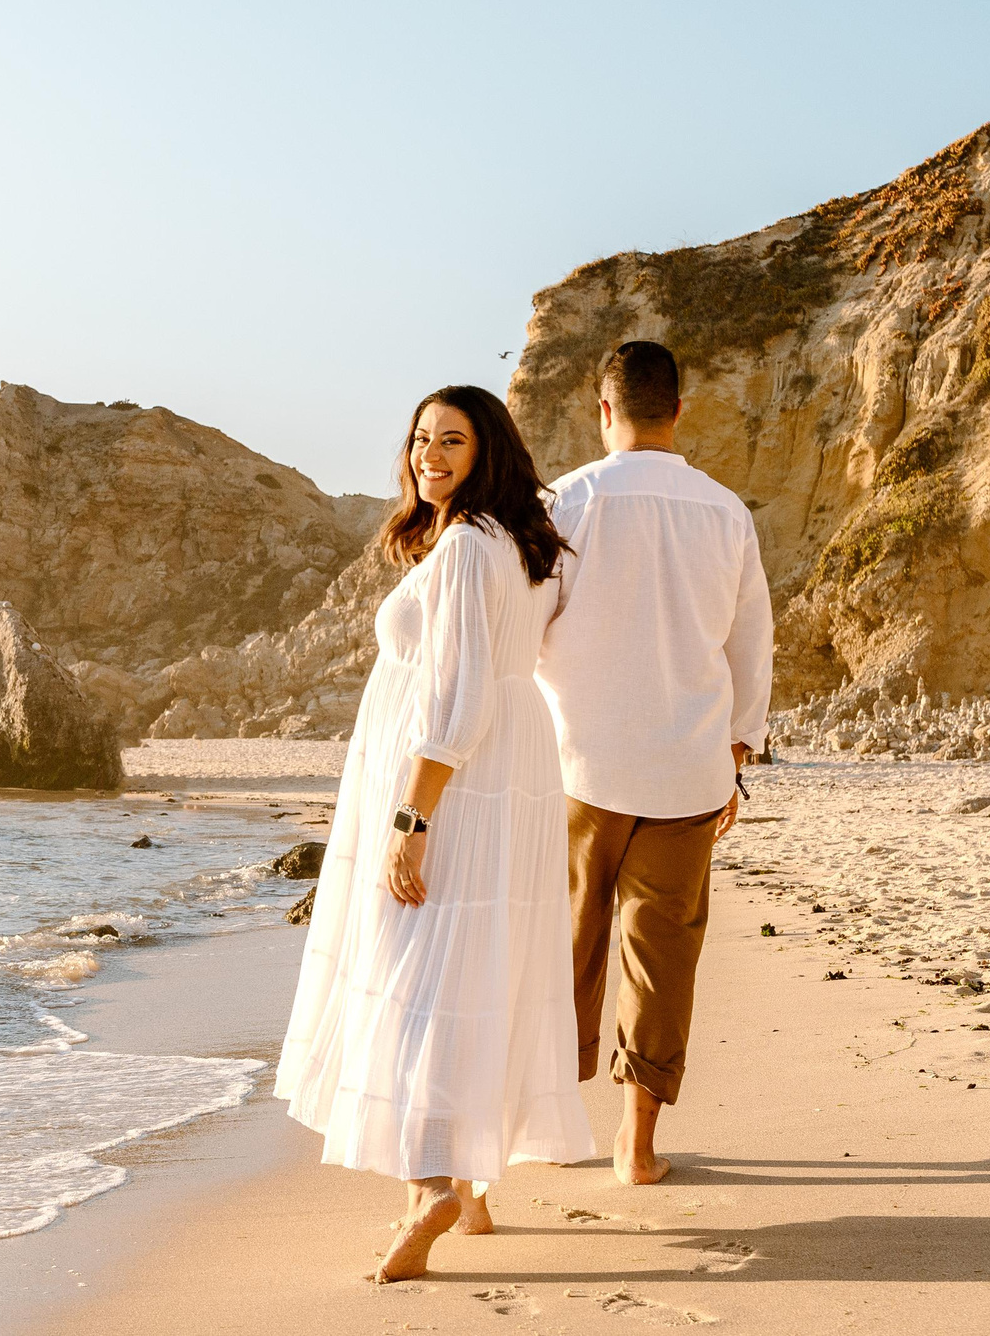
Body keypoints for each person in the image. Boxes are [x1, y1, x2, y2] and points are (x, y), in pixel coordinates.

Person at [274, 385, 594, 1281]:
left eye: (452, 440)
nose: (430, 455)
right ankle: (476, 1184)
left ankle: (428, 1190)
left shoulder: (463, 547)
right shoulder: (522, 544)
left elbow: (456, 702)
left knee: (414, 973)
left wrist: (413, 819)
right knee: (472, 961)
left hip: (459, 781)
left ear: (488, 448)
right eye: (421, 439)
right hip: (513, 777)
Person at [537, 340, 773, 1184]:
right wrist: (736, 751)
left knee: (563, 947)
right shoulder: (725, 511)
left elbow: (525, 630)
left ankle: (549, 1125)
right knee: (660, 953)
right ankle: (634, 1147)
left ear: (603, 411)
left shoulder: (562, 502)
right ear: (680, 409)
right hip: (686, 772)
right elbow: (750, 645)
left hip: (575, 767)